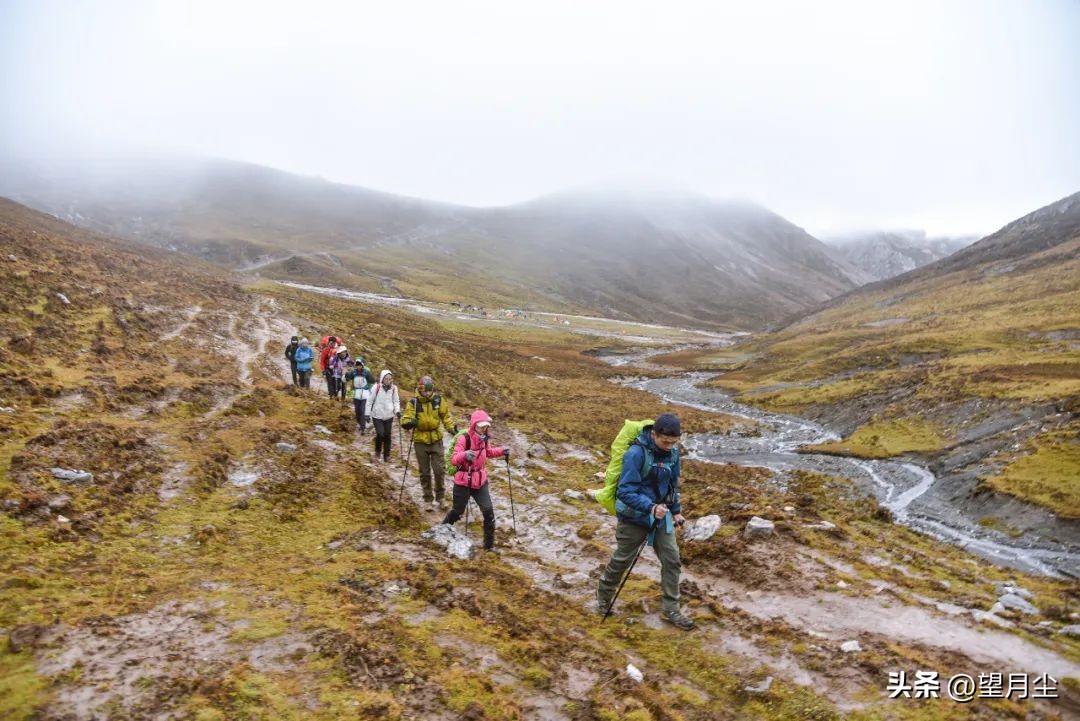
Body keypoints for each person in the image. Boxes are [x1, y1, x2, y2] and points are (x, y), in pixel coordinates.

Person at [596, 413, 694, 630]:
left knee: (672, 560)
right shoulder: (636, 453)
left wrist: (676, 511)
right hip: (633, 516)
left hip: (661, 516)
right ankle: (604, 596)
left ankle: (671, 609)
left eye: (673, 442)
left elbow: (672, 485)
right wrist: (650, 507)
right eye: (664, 441)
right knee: (623, 559)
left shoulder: (673, 454)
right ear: (654, 434)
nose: (669, 446)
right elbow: (625, 490)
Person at [440, 410, 508, 551]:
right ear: (474, 425)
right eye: (481, 426)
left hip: (480, 480)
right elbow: (454, 459)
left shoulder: (485, 439)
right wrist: (465, 455)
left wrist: (502, 450)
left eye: (486, 426)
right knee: (458, 511)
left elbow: (488, 453)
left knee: (488, 511)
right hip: (463, 481)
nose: (484, 429)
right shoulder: (464, 438)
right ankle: (441, 529)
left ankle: (489, 547)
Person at [401, 376, 457, 510]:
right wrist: (409, 423)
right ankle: (427, 499)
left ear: (432, 389)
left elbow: (446, 416)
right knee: (424, 472)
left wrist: (452, 428)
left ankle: (441, 497)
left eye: (429, 389)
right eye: (423, 390)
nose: (426, 392)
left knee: (439, 470)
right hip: (420, 440)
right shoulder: (414, 403)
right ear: (419, 389)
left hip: (436, 439)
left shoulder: (438, 400)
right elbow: (405, 419)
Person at [369, 370, 401, 462]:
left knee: (387, 435)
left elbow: (396, 401)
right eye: (386, 379)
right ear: (382, 379)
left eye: (390, 379)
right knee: (380, 433)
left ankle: (386, 456)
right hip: (377, 415)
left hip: (388, 415)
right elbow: (370, 401)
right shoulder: (376, 387)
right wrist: (367, 414)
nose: (388, 380)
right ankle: (377, 452)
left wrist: (397, 411)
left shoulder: (394, 388)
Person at [345, 358, 375, 433]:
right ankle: (360, 423)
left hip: (365, 394)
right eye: (357, 365)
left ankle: (362, 427)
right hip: (355, 394)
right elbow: (347, 379)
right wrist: (346, 375)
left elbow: (372, 380)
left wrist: (373, 381)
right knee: (357, 411)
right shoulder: (353, 372)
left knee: (362, 410)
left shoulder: (366, 372)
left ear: (362, 365)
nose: (358, 366)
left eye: (360, 365)